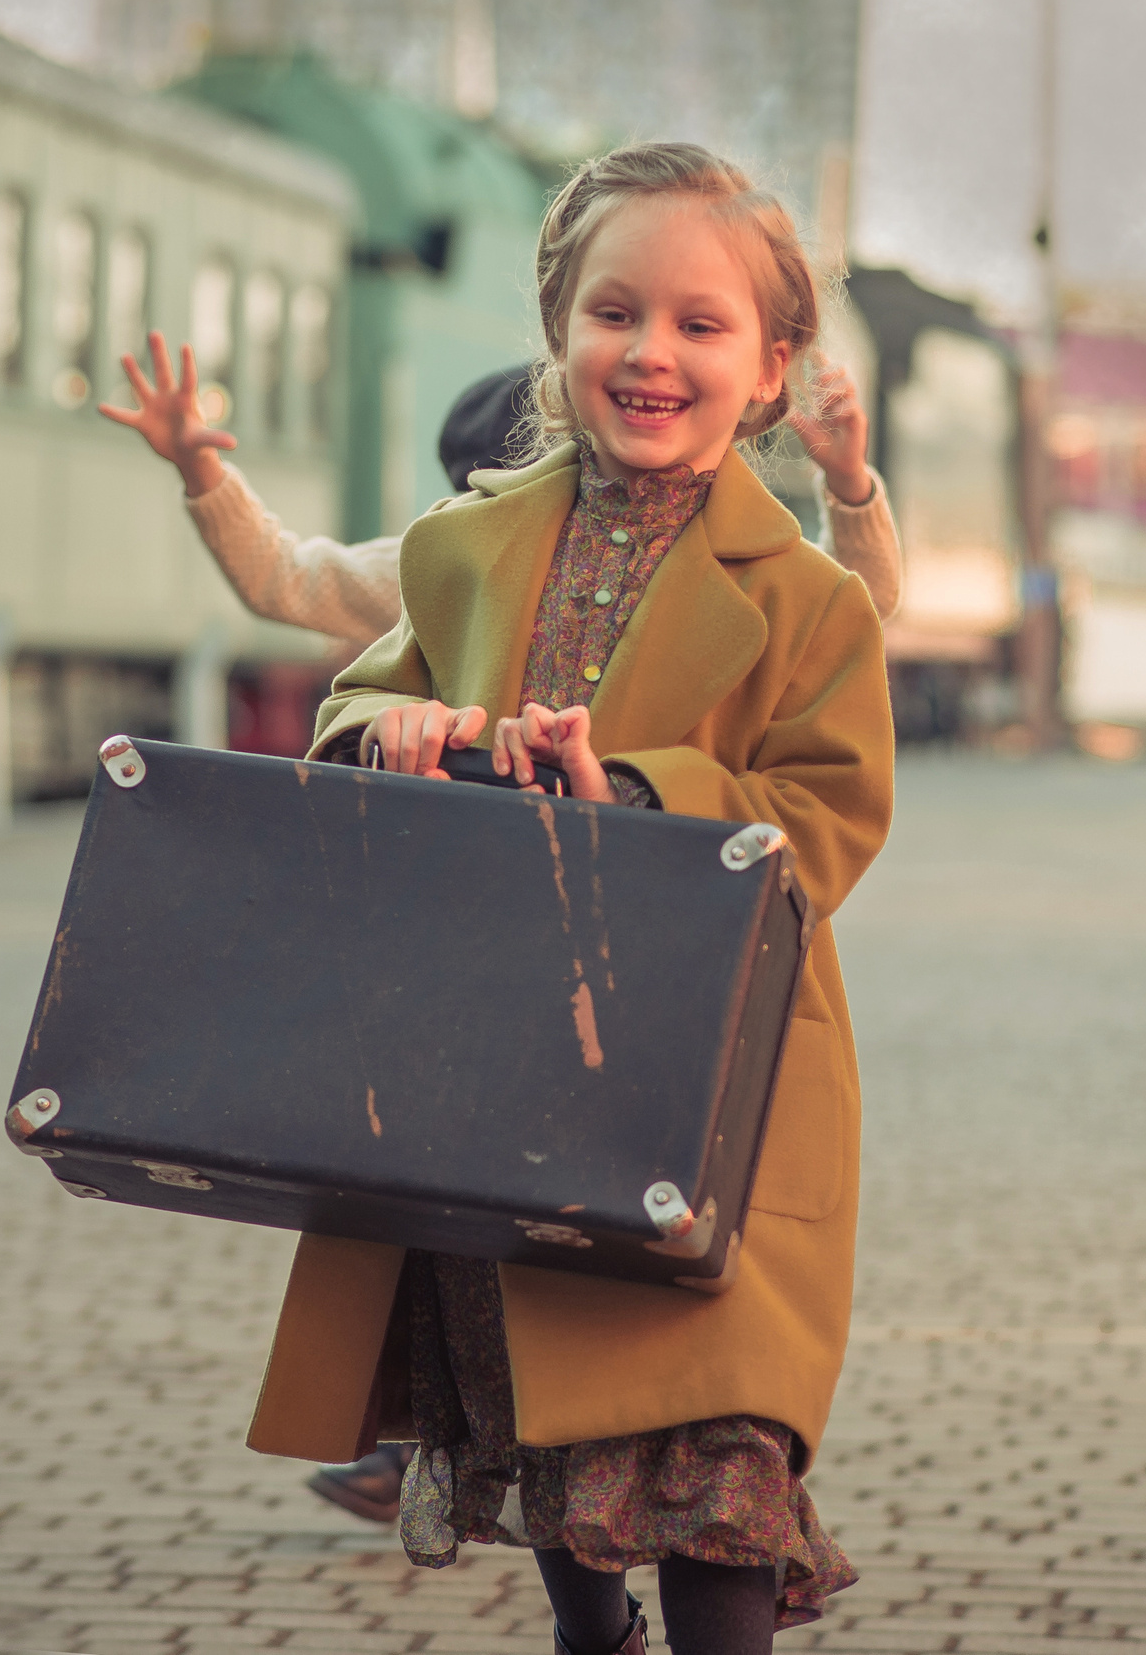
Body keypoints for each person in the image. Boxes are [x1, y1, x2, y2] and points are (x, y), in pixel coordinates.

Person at [244, 143, 894, 1655]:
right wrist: (392, 734)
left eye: (700, 323)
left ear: (772, 367)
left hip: (711, 1077)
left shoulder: (813, 601)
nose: (652, 351)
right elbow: (351, 711)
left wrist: (644, 791)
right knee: (552, 1430)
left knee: (720, 1447)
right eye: (616, 313)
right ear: (558, 332)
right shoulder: (463, 550)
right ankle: (591, 1636)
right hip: (502, 1065)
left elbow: (830, 813)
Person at [97, 338, 900, 654]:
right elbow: (286, 578)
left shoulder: (687, 557)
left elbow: (848, 608)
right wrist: (200, 471)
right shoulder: (459, 564)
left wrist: (848, 483)